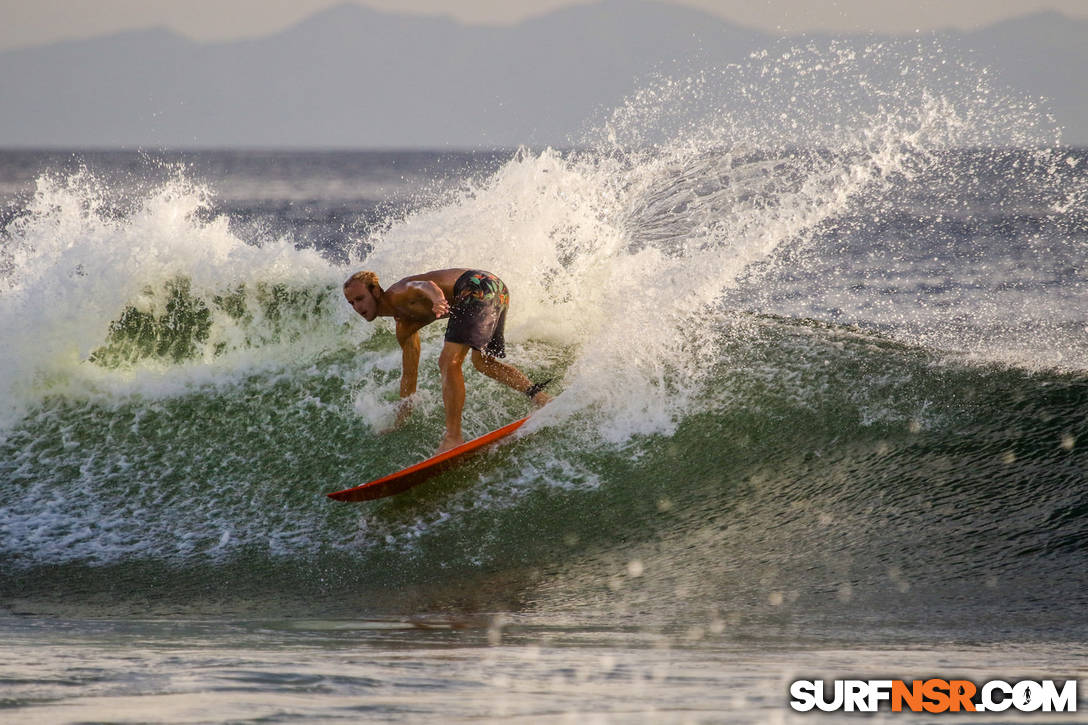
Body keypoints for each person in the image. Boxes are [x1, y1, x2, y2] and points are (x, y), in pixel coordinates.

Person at [343, 268, 551, 453]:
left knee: (448, 362)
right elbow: (409, 375)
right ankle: (540, 397)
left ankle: (453, 438)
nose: (357, 307)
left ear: (376, 291)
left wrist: (437, 299)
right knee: (482, 363)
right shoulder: (404, 326)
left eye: (360, 298)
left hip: (476, 286)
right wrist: (400, 419)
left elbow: (424, 285)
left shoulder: (399, 293)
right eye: (351, 302)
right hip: (495, 287)